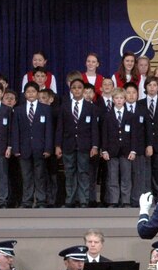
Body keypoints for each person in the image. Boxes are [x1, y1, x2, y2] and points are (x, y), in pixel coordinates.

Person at [56, 77, 100, 208]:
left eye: (79, 87)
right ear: (70, 90)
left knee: (83, 172)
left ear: (83, 90)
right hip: (68, 145)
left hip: (84, 146)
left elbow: (94, 128)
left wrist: (95, 146)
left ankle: (83, 200)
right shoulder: (64, 106)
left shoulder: (90, 107)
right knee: (69, 172)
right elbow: (60, 127)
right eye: (74, 87)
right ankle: (70, 199)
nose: (77, 90)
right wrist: (58, 145)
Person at [101, 86, 141, 208]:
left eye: (121, 98)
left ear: (125, 100)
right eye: (116, 98)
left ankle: (126, 201)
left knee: (126, 177)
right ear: (113, 99)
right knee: (112, 177)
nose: (119, 100)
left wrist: (133, 150)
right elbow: (104, 134)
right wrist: (105, 150)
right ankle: (113, 200)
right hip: (112, 151)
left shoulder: (131, 116)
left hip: (126, 151)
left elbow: (134, 135)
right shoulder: (107, 116)